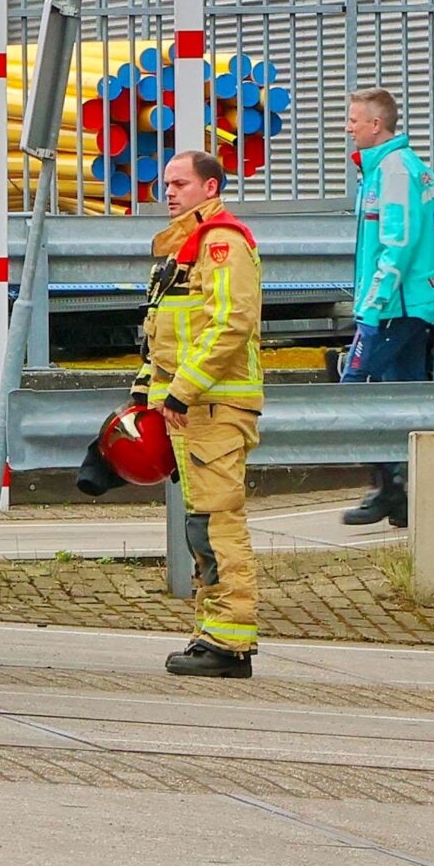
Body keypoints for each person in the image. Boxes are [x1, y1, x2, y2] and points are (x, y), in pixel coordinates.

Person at [134, 151, 264, 677]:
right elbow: (163, 340)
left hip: (214, 405)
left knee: (217, 523)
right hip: (195, 406)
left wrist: (181, 392)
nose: (169, 192)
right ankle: (214, 634)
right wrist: (143, 406)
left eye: (181, 183)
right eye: (166, 183)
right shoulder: (183, 251)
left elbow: (230, 324)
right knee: (202, 523)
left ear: (210, 188)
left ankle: (229, 643)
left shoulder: (220, 244)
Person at [339, 89, 434, 529]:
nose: (348, 128)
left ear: (376, 125)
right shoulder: (391, 167)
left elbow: (397, 245)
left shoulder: (394, 171)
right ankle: (404, 494)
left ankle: (387, 489)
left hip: (394, 309)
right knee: (405, 394)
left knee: (358, 390)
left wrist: (371, 307)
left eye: (353, 121)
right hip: (406, 307)